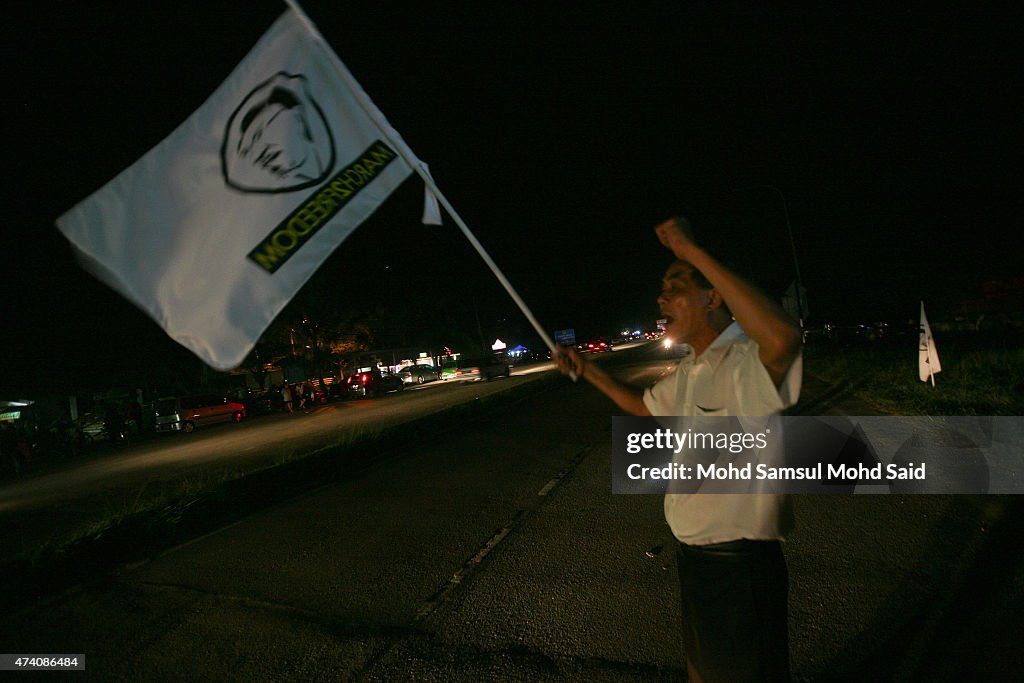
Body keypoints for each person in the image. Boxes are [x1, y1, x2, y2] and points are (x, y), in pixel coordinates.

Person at [554, 215, 802, 683]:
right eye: (662, 286)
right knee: (702, 671)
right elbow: (646, 411)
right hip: (697, 560)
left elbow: (784, 338)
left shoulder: (743, 360)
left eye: (676, 284)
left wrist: (694, 252)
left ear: (713, 297)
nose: (660, 296)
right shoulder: (693, 368)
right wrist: (587, 371)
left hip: (739, 567)